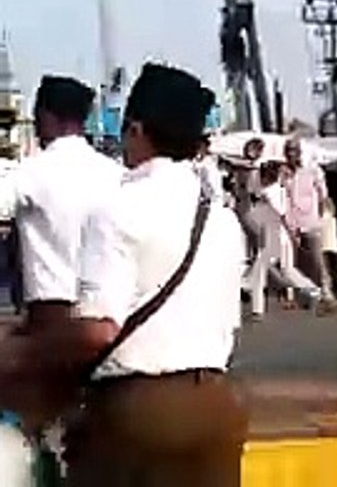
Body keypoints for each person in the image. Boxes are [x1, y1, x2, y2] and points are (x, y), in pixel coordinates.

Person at [0, 62, 249, 485]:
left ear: (135, 130)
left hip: (140, 410)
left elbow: (98, 332)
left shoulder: (118, 208)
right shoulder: (223, 219)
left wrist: (20, 353)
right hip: (217, 408)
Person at [5, 76, 123, 432]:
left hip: (51, 319)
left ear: (47, 117)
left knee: (38, 423)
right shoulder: (115, 174)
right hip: (110, 316)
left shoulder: (30, 173)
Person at [244, 161, 322, 319]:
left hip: (277, 237)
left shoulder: (272, 192)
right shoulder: (267, 189)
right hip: (273, 235)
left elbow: (283, 216)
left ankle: (256, 308)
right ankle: (313, 290)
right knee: (285, 269)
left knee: (263, 269)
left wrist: (293, 236)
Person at [282, 137, 337, 313]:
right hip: (289, 222)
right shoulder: (282, 173)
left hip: (311, 221)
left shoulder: (312, 171)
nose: (292, 154)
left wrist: (322, 218)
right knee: (291, 262)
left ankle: (327, 293)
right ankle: (296, 296)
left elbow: (323, 196)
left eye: (294, 150)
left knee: (317, 260)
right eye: (288, 151)